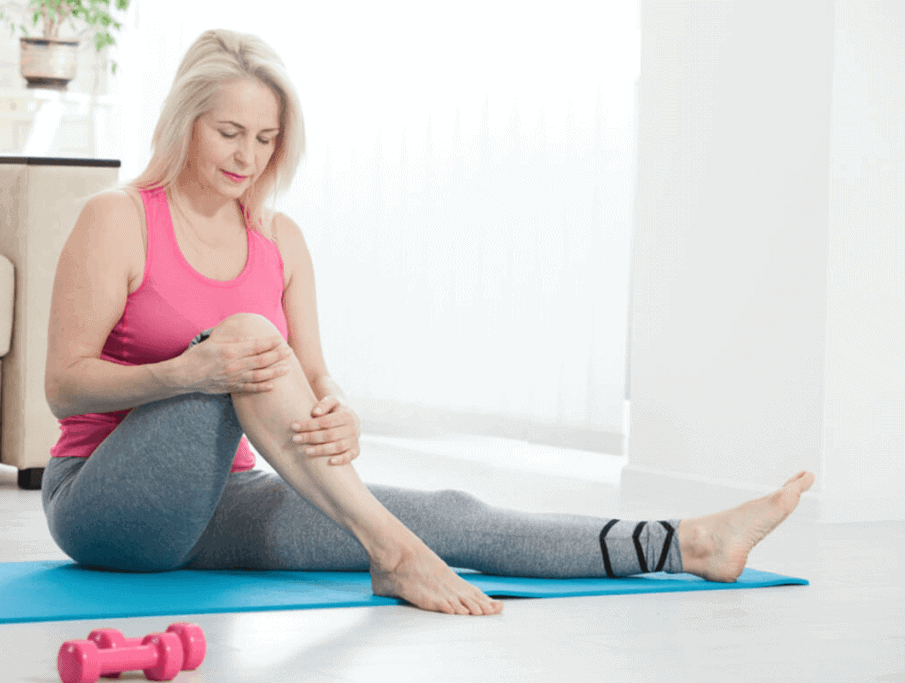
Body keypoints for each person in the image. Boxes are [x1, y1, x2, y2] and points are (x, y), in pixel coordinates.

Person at [41, 28, 815, 617]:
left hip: (220, 505)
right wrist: (190, 371)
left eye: (267, 138)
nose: (249, 155)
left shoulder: (278, 240)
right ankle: (393, 554)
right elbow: (63, 386)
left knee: (453, 514)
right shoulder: (119, 219)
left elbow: (312, 375)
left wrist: (336, 407)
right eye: (229, 132)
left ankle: (688, 542)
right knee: (242, 336)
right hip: (105, 505)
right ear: (186, 121)